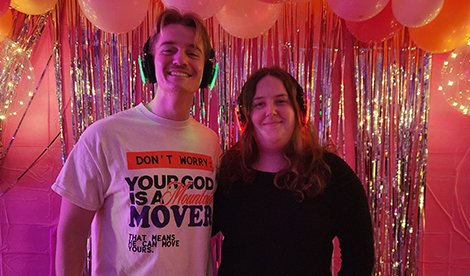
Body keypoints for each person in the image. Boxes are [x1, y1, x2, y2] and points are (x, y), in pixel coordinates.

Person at [53, 8, 221, 276]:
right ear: (149, 63)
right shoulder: (104, 136)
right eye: (169, 50)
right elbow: (72, 233)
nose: (181, 59)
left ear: (207, 68)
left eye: (193, 52)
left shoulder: (210, 143)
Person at [212, 66, 375, 275]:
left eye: (281, 101)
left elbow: (360, 258)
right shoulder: (229, 172)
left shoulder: (331, 172)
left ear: (300, 111)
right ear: (245, 117)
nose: (270, 111)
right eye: (259, 104)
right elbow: (194, 234)